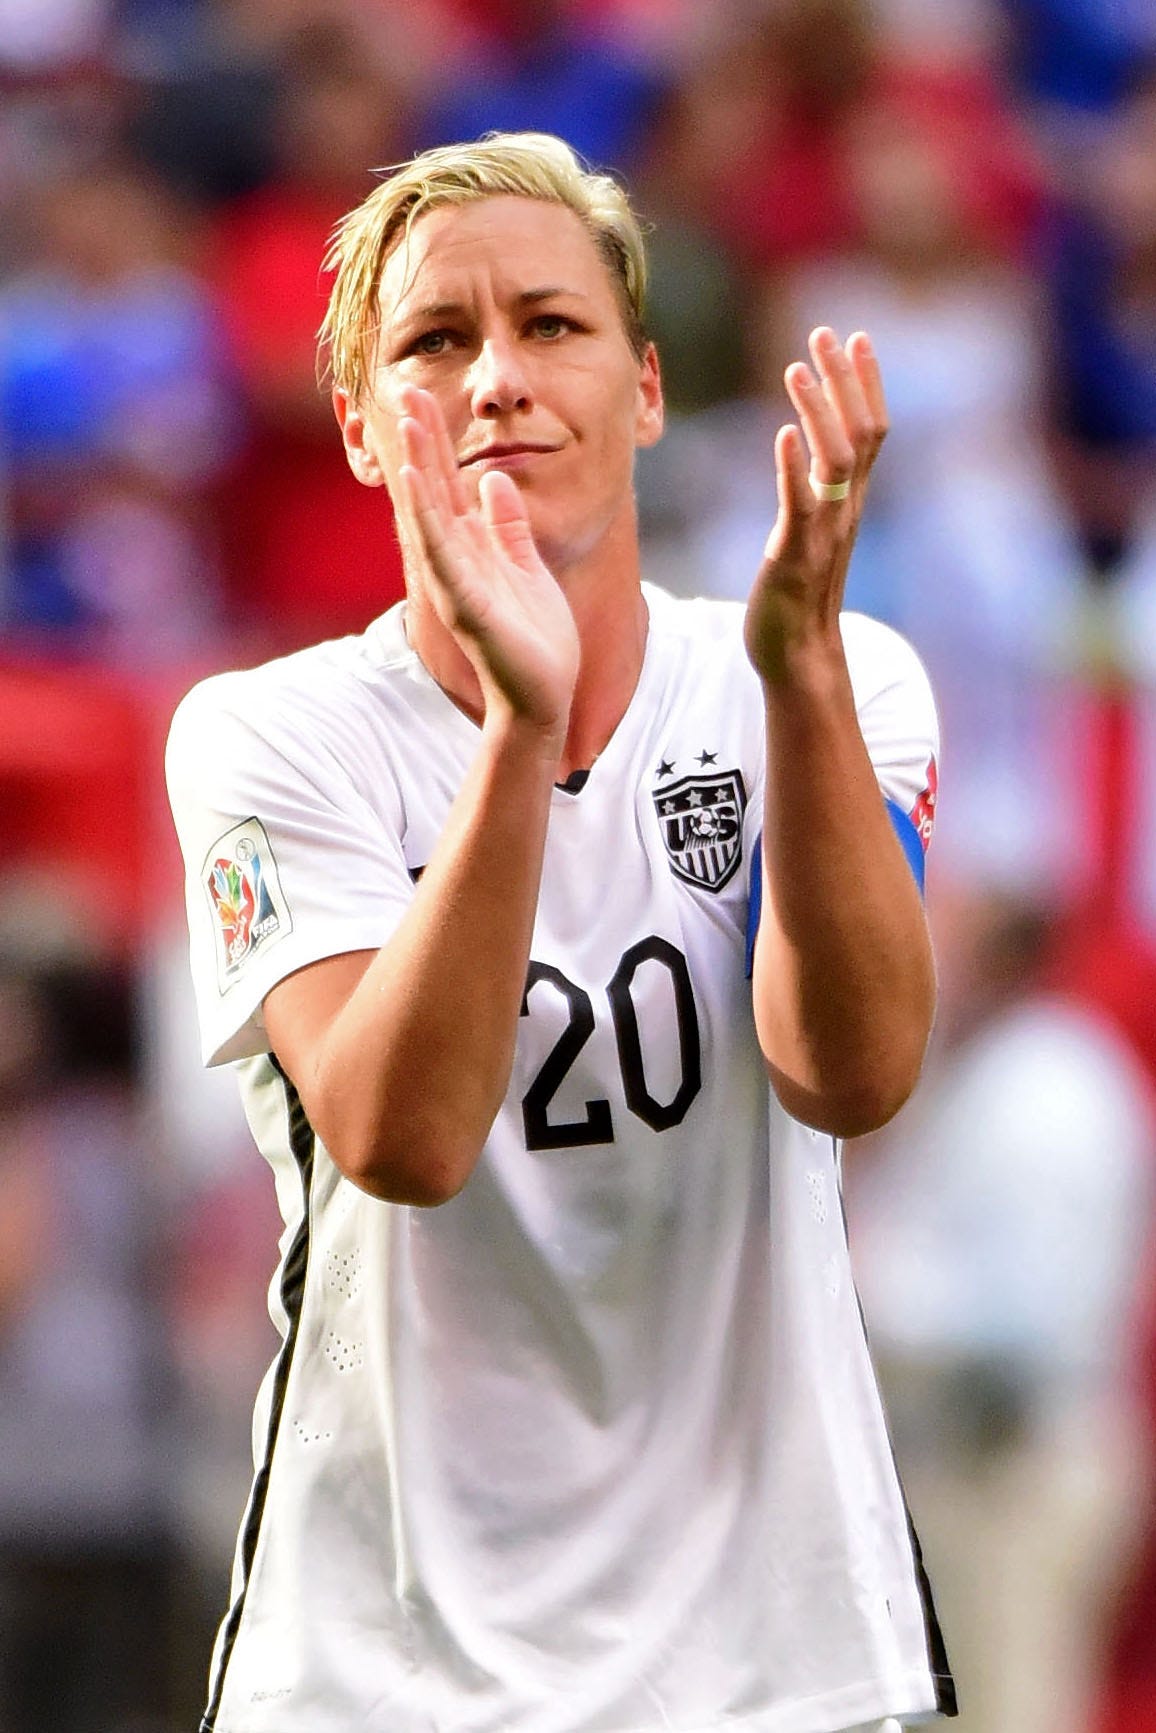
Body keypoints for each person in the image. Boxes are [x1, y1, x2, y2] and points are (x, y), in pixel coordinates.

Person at [165, 131, 953, 1733]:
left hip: (770, 1663)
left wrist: (801, 683)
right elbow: (403, 1134)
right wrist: (522, 731)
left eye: (551, 324)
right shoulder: (270, 737)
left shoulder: (833, 674)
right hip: (380, 1675)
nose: (499, 379)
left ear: (645, 391)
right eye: (435, 341)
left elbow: (851, 1071)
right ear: (361, 430)